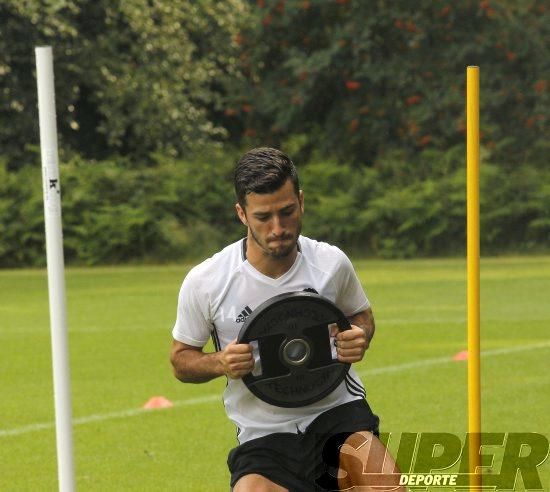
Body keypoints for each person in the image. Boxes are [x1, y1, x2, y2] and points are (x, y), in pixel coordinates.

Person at [170, 147, 403, 491]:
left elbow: (361, 317)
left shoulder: (331, 264)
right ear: (242, 214)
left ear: (301, 202)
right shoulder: (207, 281)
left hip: (339, 414)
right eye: (264, 217)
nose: (278, 227)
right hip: (263, 435)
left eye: (287, 212)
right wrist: (220, 362)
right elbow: (180, 361)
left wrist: (359, 335)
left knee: (387, 487)